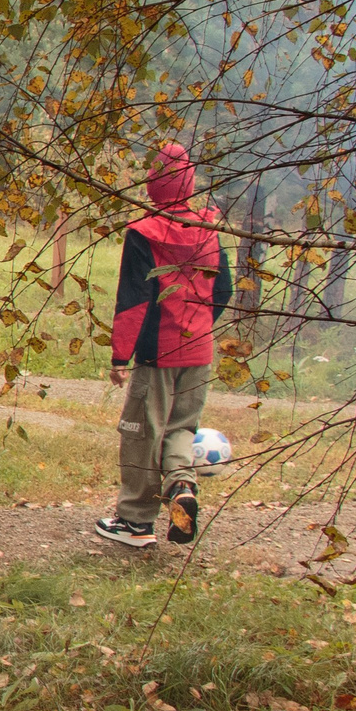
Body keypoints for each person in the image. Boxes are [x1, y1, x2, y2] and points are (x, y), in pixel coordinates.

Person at [95, 141, 234, 549]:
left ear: (153, 182)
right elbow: (223, 290)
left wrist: (121, 356)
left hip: (158, 352)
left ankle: (135, 521)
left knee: (141, 433)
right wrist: (200, 326)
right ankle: (181, 488)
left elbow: (134, 300)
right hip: (200, 350)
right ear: (189, 181)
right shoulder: (209, 228)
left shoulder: (144, 232)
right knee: (180, 429)